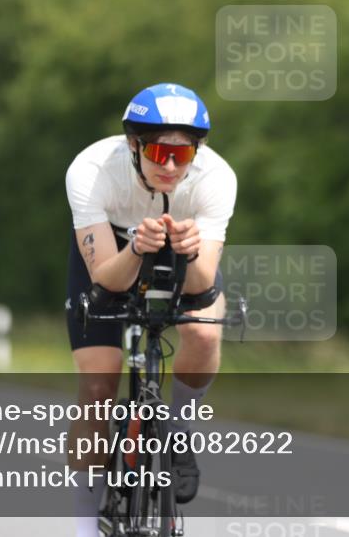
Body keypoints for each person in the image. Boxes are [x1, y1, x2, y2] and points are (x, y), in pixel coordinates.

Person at [65, 83, 236, 534]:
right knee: (97, 387)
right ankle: (84, 527)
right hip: (114, 251)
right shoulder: (91, 170)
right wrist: (137, 248)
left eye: (183, 154)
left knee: (204, 332)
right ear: (133, 144)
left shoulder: (217, 178)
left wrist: (190, 252)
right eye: (160, 152)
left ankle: (177, 430)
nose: (171, 166)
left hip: (183, 249)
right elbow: (105, 279)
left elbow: (201, 286)